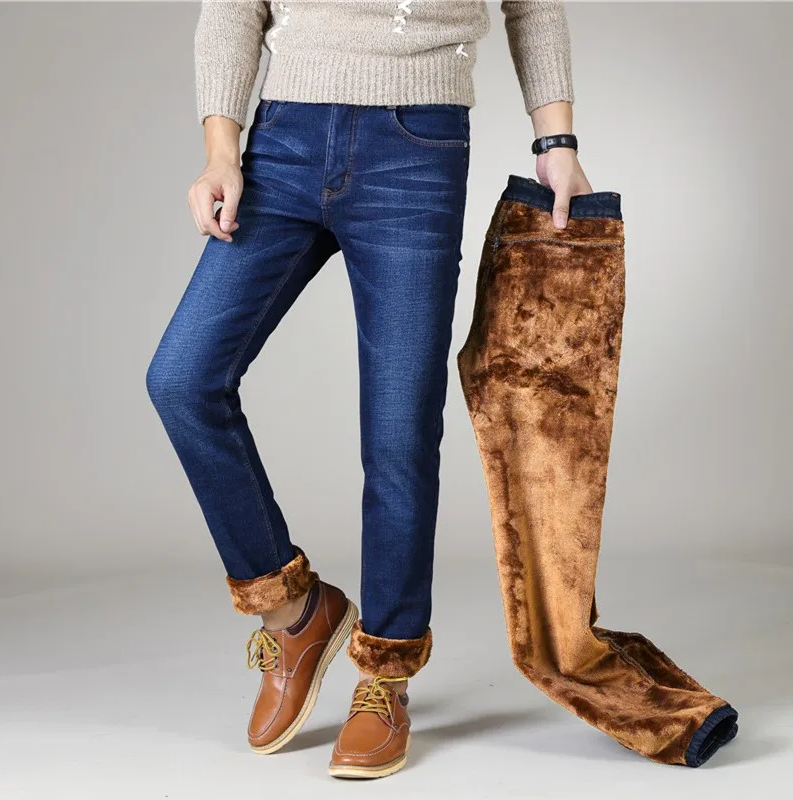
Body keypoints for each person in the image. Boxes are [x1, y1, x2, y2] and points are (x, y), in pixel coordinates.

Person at [147, 0, 592, 779]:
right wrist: (222, 150)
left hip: (416, 148)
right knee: (183, 379)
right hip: (283, 138)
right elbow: (234, 8)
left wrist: (556, 141)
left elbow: (533, 6)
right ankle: (294, 612)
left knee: (399, 432)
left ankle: (386, 671)